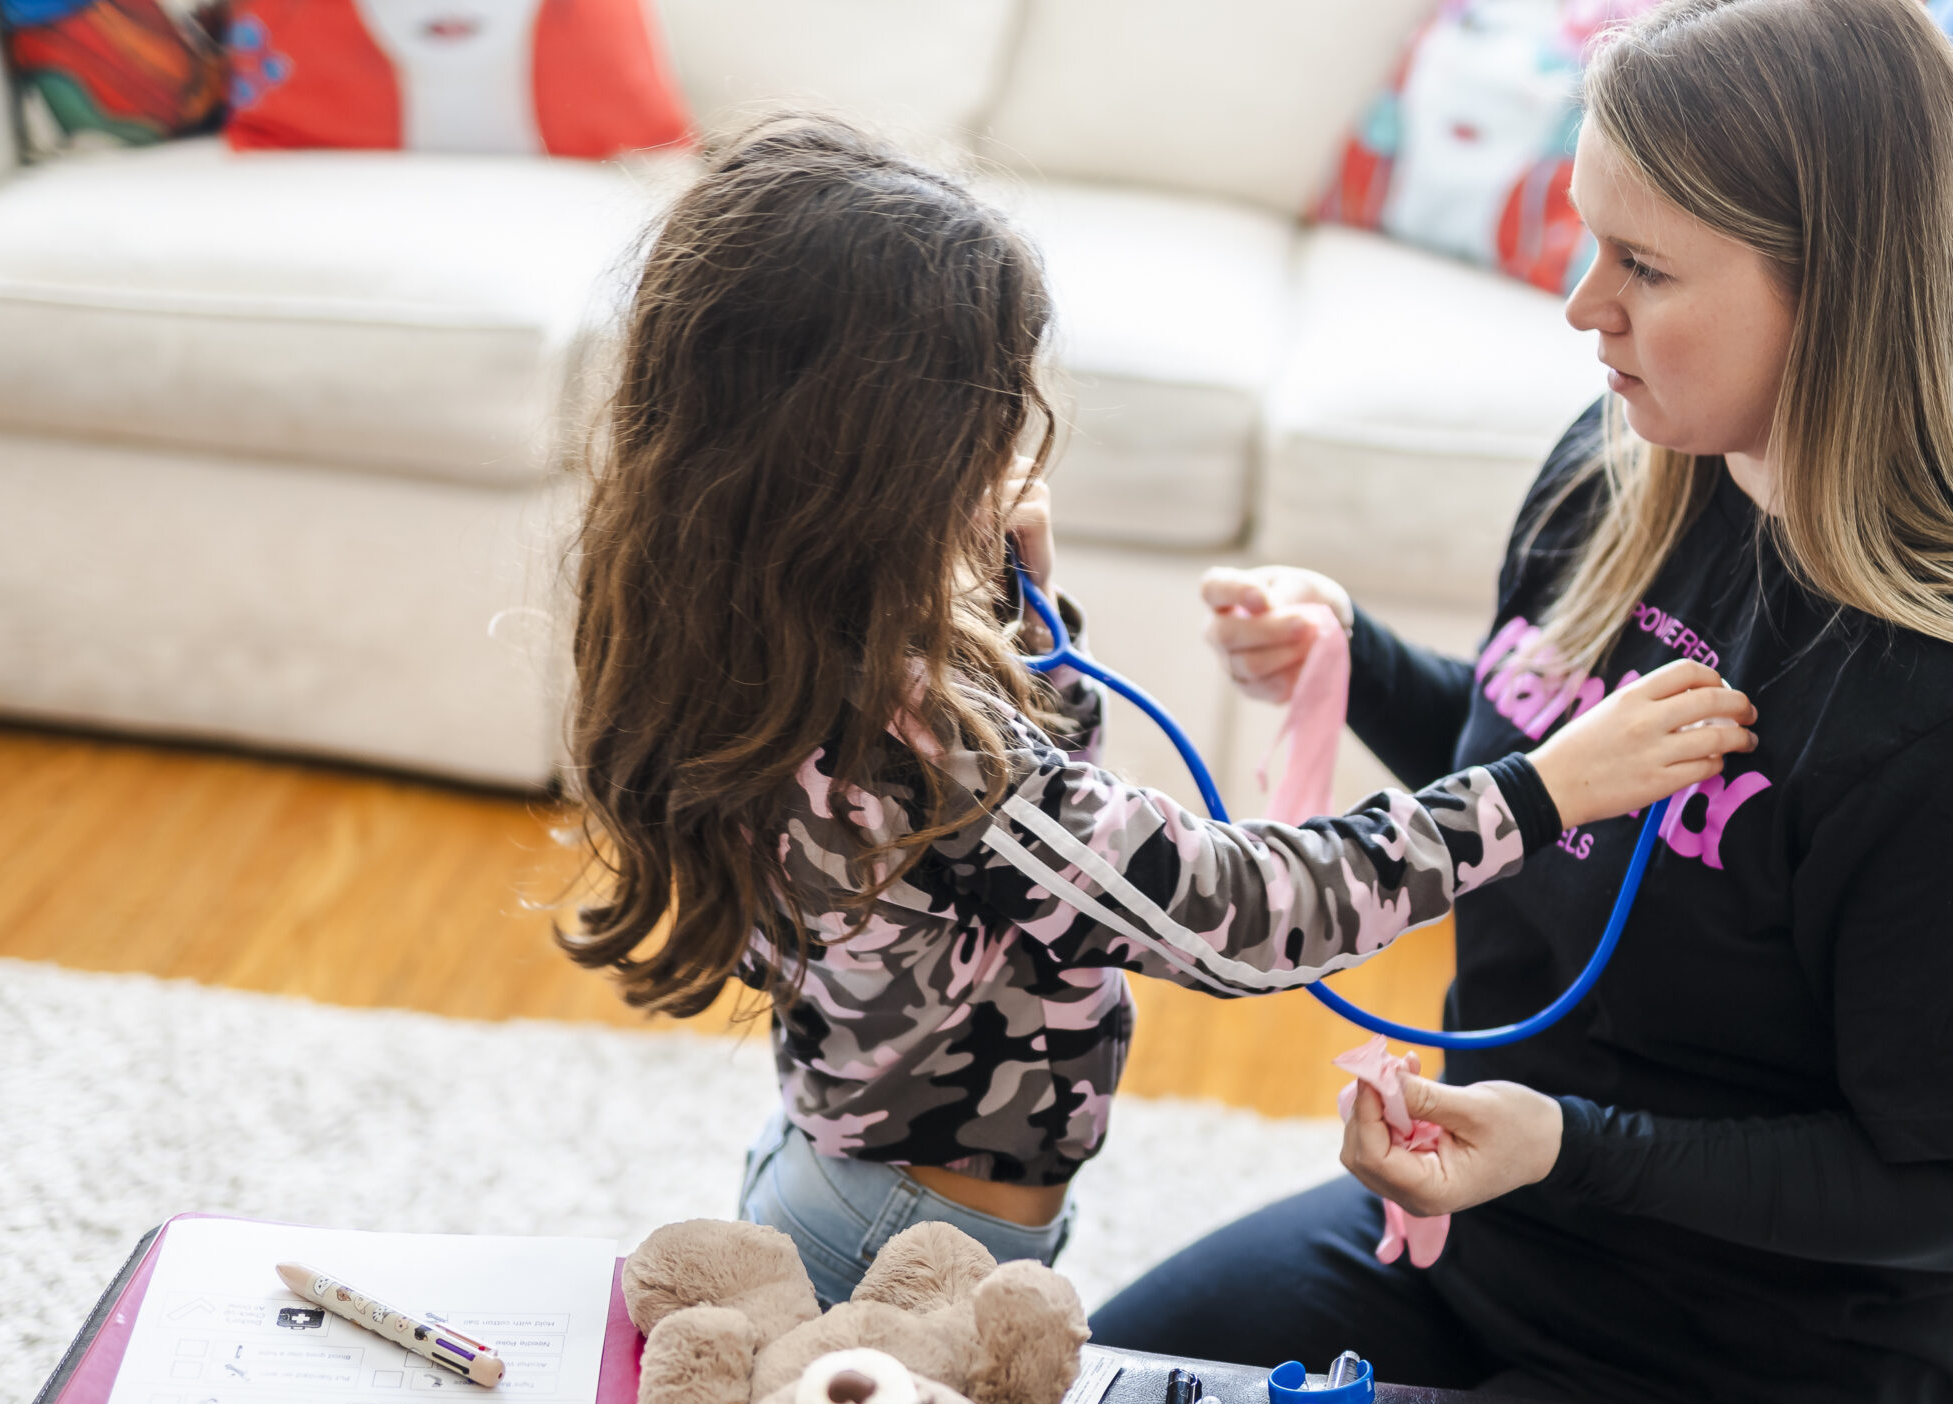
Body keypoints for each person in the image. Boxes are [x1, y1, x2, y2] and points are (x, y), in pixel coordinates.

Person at [1092, 0, 1953, 1404]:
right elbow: (1544, 754)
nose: (1581, 306)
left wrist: (1568, 1144)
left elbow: (1946, 1193)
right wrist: (1352, 663)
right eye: (1592, 244)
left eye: (1644, 270)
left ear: (1842, 284)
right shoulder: (1621, 470)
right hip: (1474, 1238)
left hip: (1752, 1374)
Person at [557, 117, 1759, 1307]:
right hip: (904, 1245)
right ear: (892, 454)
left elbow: (1023, 879)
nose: (1012, 434)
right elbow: (1243, 913)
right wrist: (1546, 789)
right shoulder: (918, 745)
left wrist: (1018, 627)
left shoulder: (765, 636)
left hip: (849, 1170)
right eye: (991, 409)